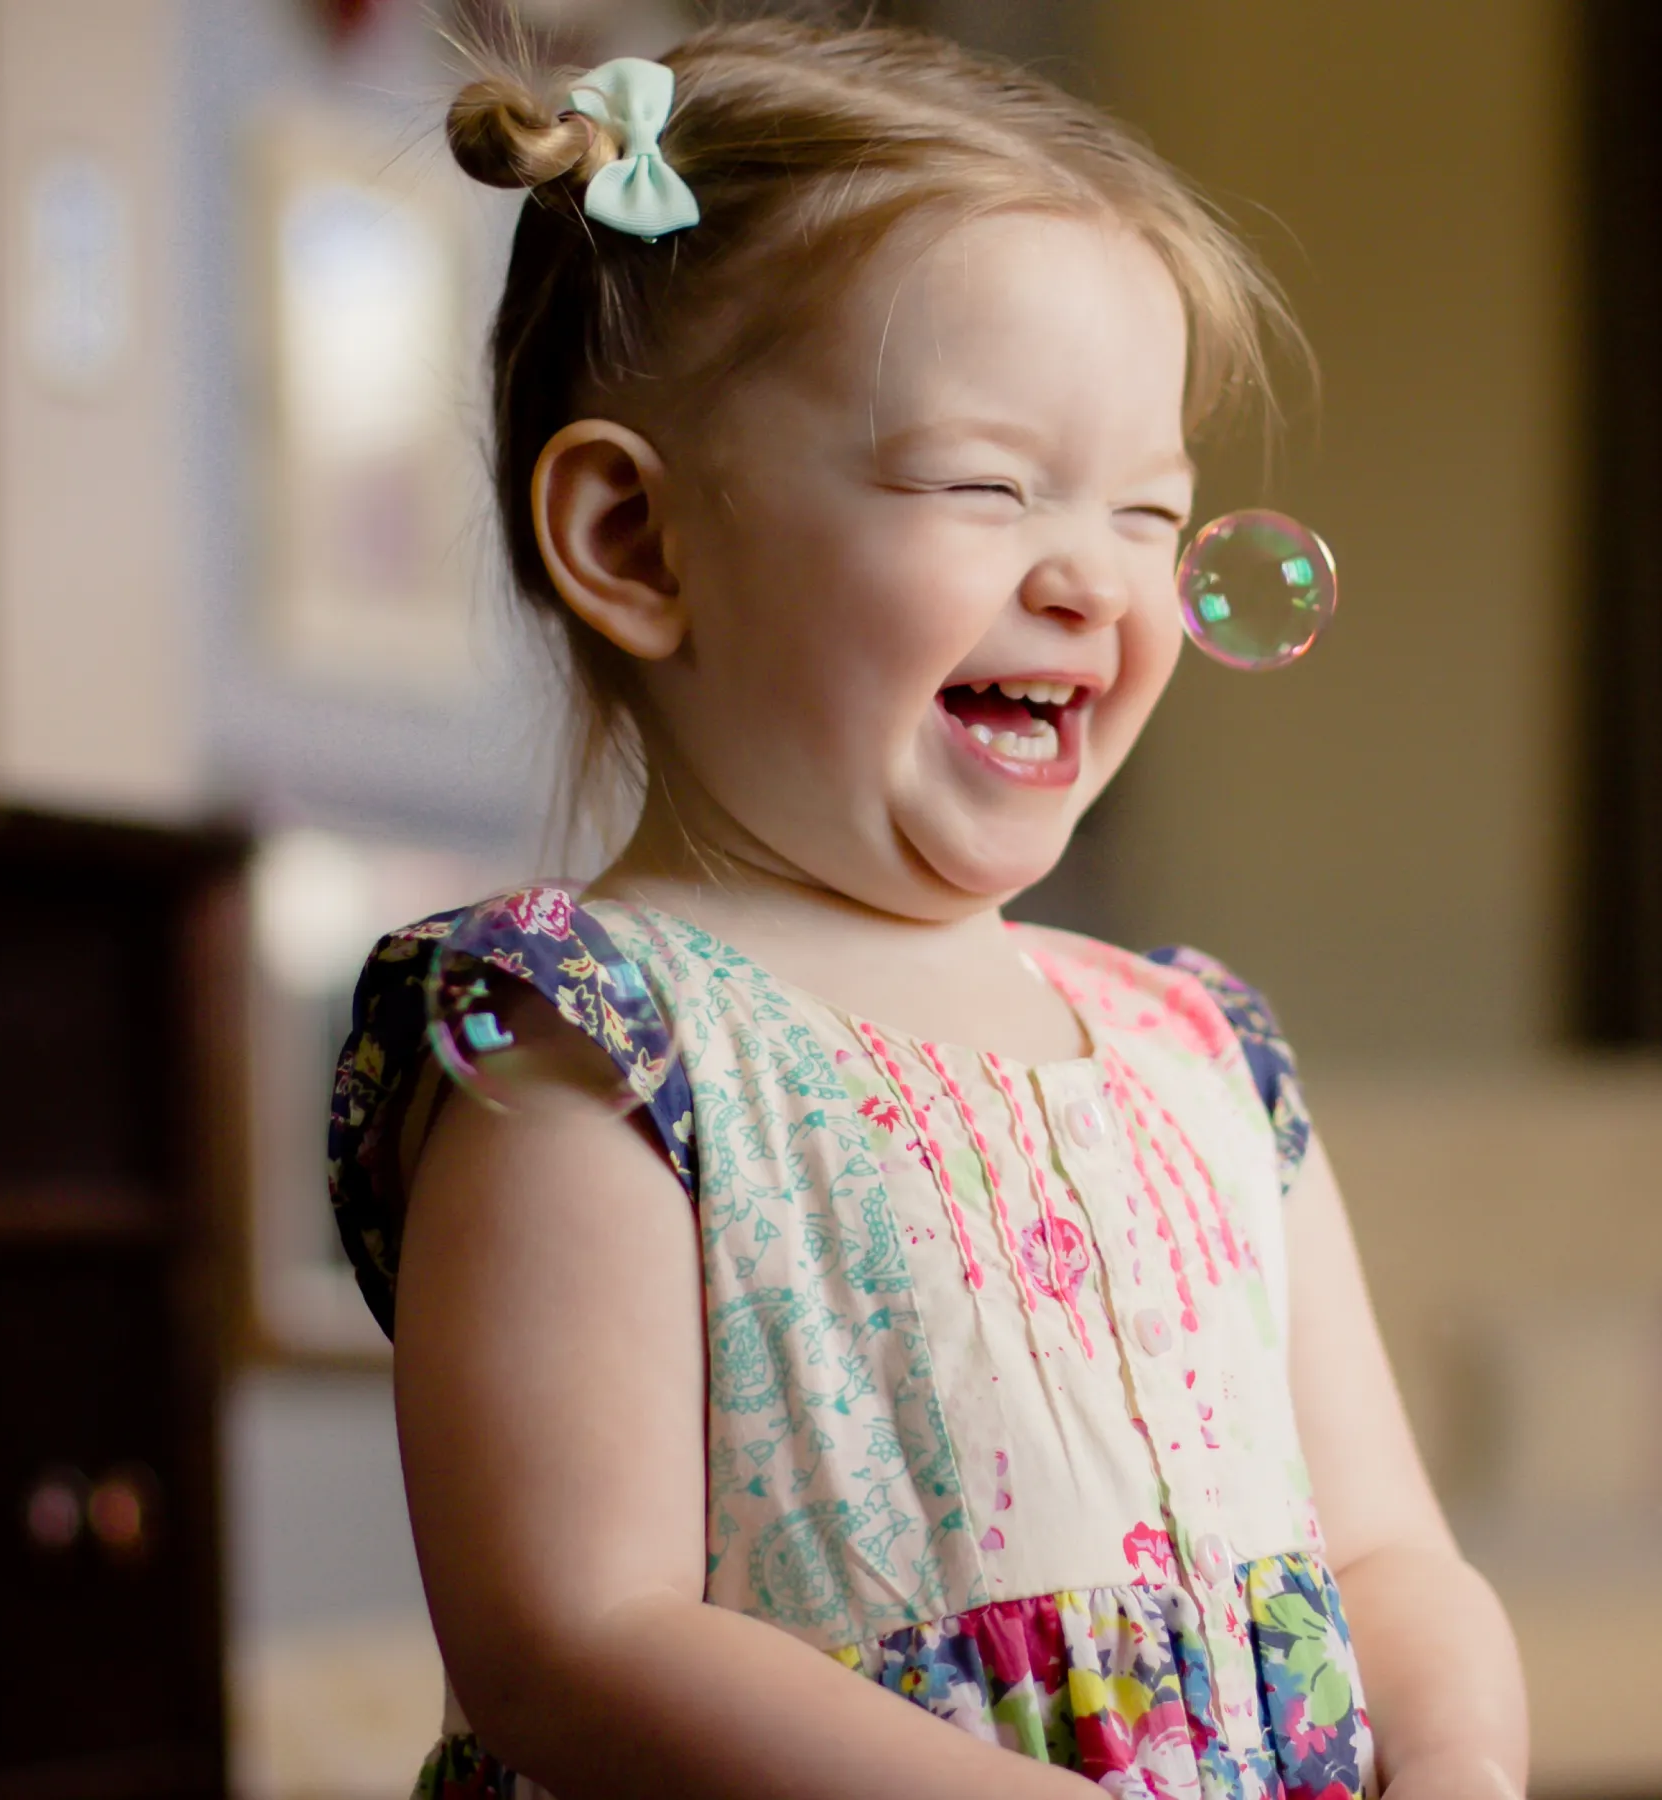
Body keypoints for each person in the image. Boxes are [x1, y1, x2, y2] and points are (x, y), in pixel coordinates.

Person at [325, 19, 1527, 1799]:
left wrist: (1461, 1772)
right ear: (638, 543)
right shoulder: (591, 1046)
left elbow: (1393, 1562)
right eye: (984, 485)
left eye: (1150, 510)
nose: (1089, 575)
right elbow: (576, 1645)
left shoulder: (1203, 1055)